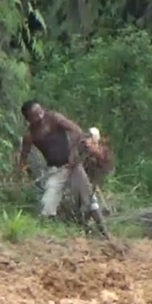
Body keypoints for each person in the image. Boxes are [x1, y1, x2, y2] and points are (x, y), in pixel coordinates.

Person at [17, 100, 109, 238]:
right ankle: (47, 239)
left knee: (89, 201)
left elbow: (76, 130)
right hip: (56, 170)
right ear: (28, 119)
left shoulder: (54, 118)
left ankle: (106, 235)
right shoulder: (30, 135)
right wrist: (23, 171)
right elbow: (23, 156)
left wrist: (72, 152)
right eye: (35, 115)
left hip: (74, 166)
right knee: (47, 205)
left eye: (40, 112)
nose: (40, 116)